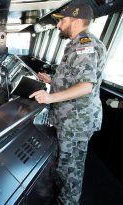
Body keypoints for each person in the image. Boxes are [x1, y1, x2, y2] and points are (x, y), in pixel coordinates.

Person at [29, 3, 106, 205]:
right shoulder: (79, 44)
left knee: (70, 169)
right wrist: (51, 79)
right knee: (65, 165)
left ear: (77, 20)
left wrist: (50, 98)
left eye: (62, 20)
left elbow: (85, 86)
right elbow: (73, 79)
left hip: (76, 120)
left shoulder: (84, 46)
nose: (58, 26)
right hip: (71, 118)